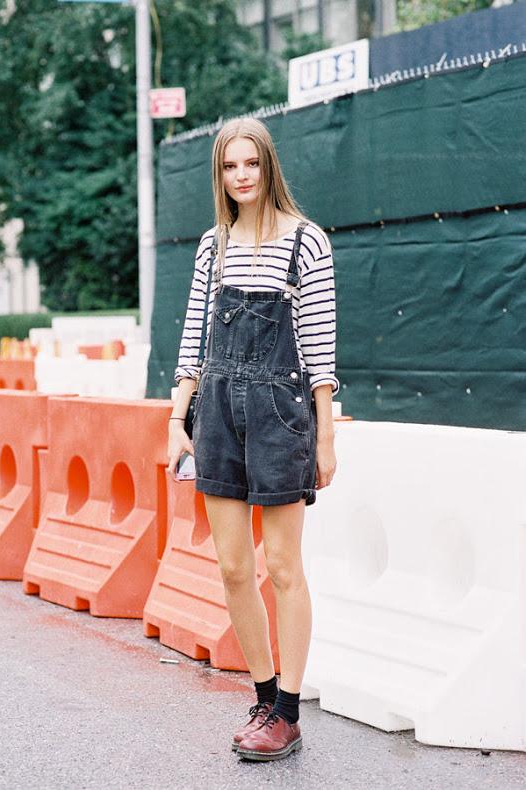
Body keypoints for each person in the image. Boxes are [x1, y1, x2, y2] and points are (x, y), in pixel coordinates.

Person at [167, 117, 338, 762]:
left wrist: (324, 439)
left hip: (281, 412)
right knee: (236, 567)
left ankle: (289, 713)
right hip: (215, 410)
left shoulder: (307, 242)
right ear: (221, 174)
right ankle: (264, 696)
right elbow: (192, 342)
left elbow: (320, 347)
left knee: (284, 566)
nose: (242, 176)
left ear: (270, 168)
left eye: (252, 165)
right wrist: (176, 421)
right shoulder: (213, 246)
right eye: (230, 167)